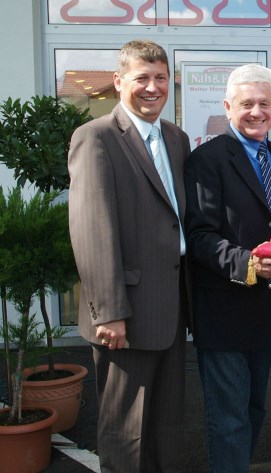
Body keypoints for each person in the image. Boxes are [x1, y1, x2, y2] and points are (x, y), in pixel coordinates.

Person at [68, 39, 191, 472]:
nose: (153, 87)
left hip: (172, 304)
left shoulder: (176, 138)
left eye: (161, 78)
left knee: (165, 421)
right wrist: (109, 312)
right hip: (126, 312)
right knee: (126, 428)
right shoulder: (95, 137)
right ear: (119, 82)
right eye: (142, 78)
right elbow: (91, 229)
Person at [184, 64, 271, 472]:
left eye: (264, 103)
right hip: (224, 309)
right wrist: (247, 263)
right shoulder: (207, 159)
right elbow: (199, 237)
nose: (256, 111)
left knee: (254, 410)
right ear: (228, 106)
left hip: (264, 310)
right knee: (229, 420)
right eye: (247, 103)